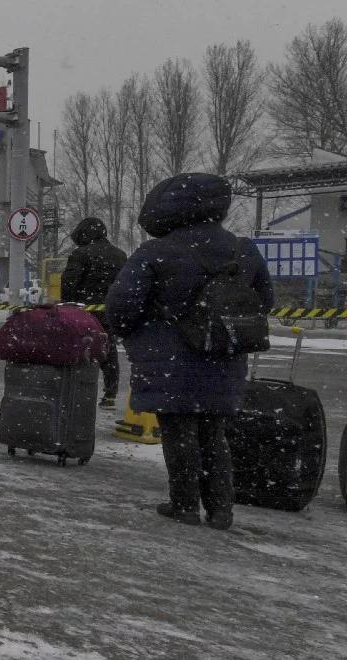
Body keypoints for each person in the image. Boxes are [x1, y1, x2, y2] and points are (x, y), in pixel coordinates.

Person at [105, 173, 273, 531]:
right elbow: (264, 302)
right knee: (214, 433)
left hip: (171, 359)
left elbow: (121, 306)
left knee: (179, 431)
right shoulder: (244, 249)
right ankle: (221, 510)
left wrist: (139, 330)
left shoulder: (155, 252)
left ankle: (184, 505)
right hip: (224, 355)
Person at [60, 217, 128, 408]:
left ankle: (80, 392)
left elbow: (69, 283)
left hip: (85, 312)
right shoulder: (120, 255)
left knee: (81, 348)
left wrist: (68, 306)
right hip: (110, 311)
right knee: (109, 349)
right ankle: (110, 393)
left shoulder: (80, 254)